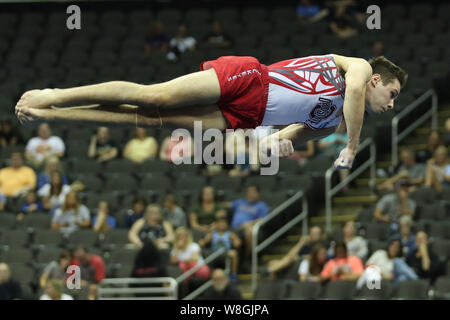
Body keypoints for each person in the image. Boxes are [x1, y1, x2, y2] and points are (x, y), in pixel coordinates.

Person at [15, 54, 407, 171]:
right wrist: (352, 148)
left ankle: (56, 114)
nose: (391, 105)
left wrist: (270, 150)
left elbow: (280, 139)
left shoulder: (329, 124)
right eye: (392, 94)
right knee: (156, 97)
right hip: (251, 79)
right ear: (378, 80)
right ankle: (57, 93)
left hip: (247, 117)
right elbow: (353, 91)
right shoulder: (358, 68)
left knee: (153, 120)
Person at [228, 185, 269, 258]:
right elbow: (227, 205)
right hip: (234, 227)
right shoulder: (240, 202)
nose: (250, 194)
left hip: (248, 228)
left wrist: (249, 224)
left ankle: (248, 257)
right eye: (249, 192)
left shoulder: (262, 205)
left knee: (248, 231)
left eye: (253, 192)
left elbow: (262, 220)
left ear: (258, 193)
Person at [198, 217, 242, 283]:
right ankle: (206, 275)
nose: (221, 225)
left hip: (225, 253)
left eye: (223, 223)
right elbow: (203, 242)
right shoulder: (212, 234)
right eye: (220, 223)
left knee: (234, 253)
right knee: (204, 254)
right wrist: (201, 242)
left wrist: (236, 242)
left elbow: (238, 241)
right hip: (214, 253)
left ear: (227, 225)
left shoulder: (230, 234)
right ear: (216, 225)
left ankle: (233, 275)